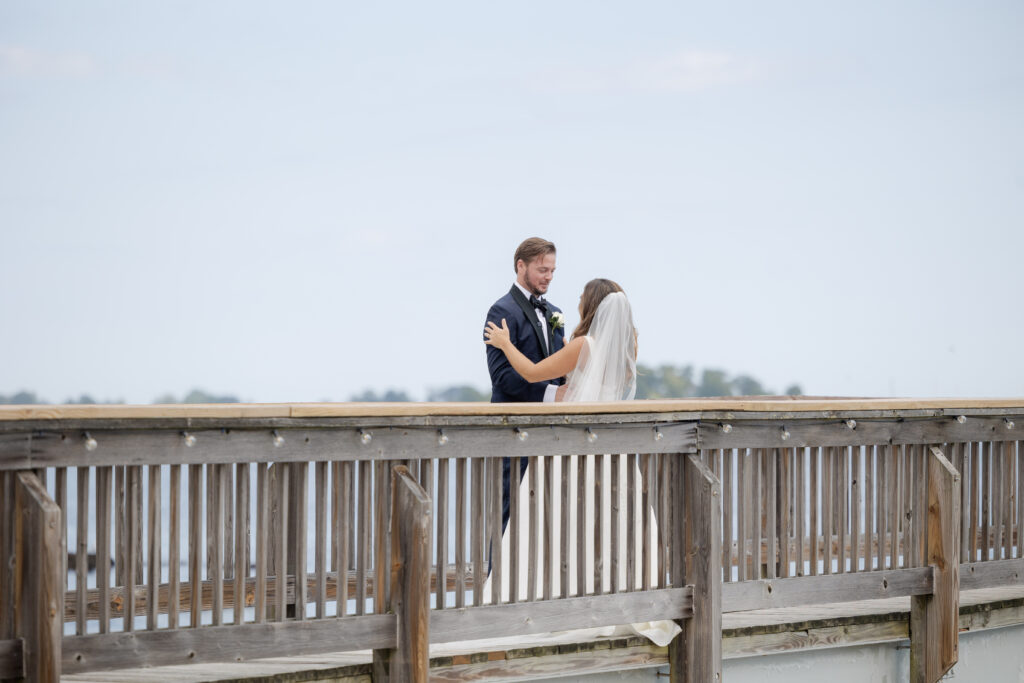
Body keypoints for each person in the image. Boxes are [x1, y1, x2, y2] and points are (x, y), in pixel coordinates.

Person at [485, 278, 680, 647]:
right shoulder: (627, 347)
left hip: (573, 449)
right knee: (603, 526)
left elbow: (529, 373)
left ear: (591, 304)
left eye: (581, 298)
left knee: (561, 524)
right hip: (612, 454)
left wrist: (505, 344)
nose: (575, 301)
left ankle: (550, 599)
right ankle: (609, 597)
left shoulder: (583, 345)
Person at [484, 237, 566, 533]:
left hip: (553, 434)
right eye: (543, 269)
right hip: (513, 430)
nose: (549, 277)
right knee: (508, 515)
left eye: (553, 271)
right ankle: (498, 578)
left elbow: (560, 368)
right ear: (521, 266)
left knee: (549, 519)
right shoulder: (501, 310)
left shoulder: (555, 312)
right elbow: (502, 378)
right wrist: (552, 394)